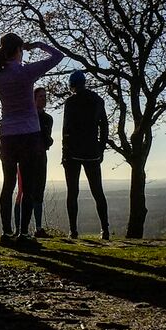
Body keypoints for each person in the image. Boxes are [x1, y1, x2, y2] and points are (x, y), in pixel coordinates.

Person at [0, 33, 65, 246]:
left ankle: (6, 232)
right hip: (29, 136)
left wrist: (22, 48)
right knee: (28, 186)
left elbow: (0, 66)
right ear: (18, 50)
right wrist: (38, 45)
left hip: (7, 135)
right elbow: (58, 56)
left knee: (8, 184)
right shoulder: (26, 72)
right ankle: (23, 233)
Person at [61, 69, 110, 240]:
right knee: (98, 191)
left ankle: (73, 230)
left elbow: (66, 129)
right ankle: (105, 229)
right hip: (92, 151)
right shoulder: (98, 100)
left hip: (73, 152)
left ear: (72, 85)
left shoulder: (70, 102)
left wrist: (64, 152)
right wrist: (101, 148)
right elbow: (104, 126)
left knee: (72, 192)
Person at [14, 88, 54, 238]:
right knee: (22, 192)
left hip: (41, 156)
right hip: (25, 157)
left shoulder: (48, 118)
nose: (43, 99)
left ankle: (38, 228)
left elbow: (47, 140)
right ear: (33, 99)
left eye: (45, 96)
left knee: (39, 192)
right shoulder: (26, 116)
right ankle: (18, 228)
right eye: (40, 96)